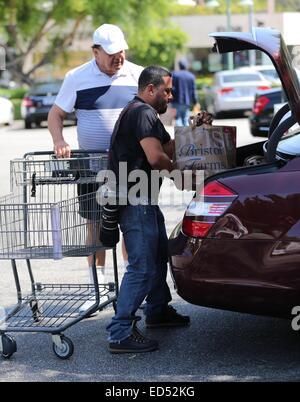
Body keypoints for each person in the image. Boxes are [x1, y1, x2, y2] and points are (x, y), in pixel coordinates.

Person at [106, 65, 213, 354]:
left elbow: (169, 147)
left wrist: (195, 129)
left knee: (156, 257)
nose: (171, 94)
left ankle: (157, 312)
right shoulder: (142, 113)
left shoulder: (146, 114)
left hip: (143, 199)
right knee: (141, 266)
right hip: (135, 201)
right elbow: (157, 158)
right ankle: (119, 333)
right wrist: (181, 171)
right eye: (166, 90)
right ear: (150, 89)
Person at [48, 24, 143, 287]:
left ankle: (132, 284)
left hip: (130, 166)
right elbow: (56, 114)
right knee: (95, 225)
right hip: (91, 168)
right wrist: (59, 140)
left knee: (132, 226)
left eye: (121, 51)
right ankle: (96, 286)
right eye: (112, 53)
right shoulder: (76, 77)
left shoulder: (137, 74)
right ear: (95, 52)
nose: (118, 57)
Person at [171, 59, 198, 126]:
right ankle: (186, 135)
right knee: (185, 119)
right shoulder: (191, 76)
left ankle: (179, 135)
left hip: (176, 101)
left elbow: (171, 88)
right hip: (186, 102)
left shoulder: (174, 75)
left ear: (179, 66)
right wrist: (195, 102)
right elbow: (193, 90)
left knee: (177, 119)